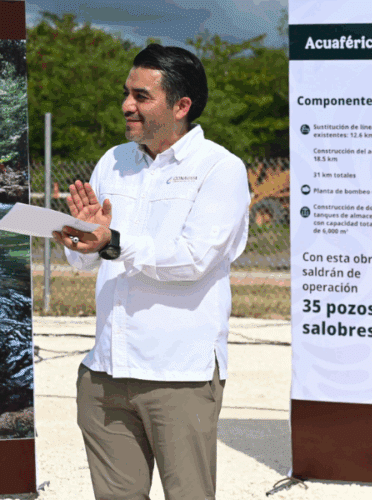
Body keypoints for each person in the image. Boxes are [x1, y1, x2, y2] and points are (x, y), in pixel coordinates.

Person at [52, 44, 250, 499]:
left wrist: (112, 241)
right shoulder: (114, 161)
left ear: (182, 106)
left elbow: (194, 258)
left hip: (178, 375)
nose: (126, 105)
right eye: (127, 93)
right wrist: (80, 242)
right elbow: (86, 261)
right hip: (105, 372)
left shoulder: (220, 169)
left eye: (141, 96)